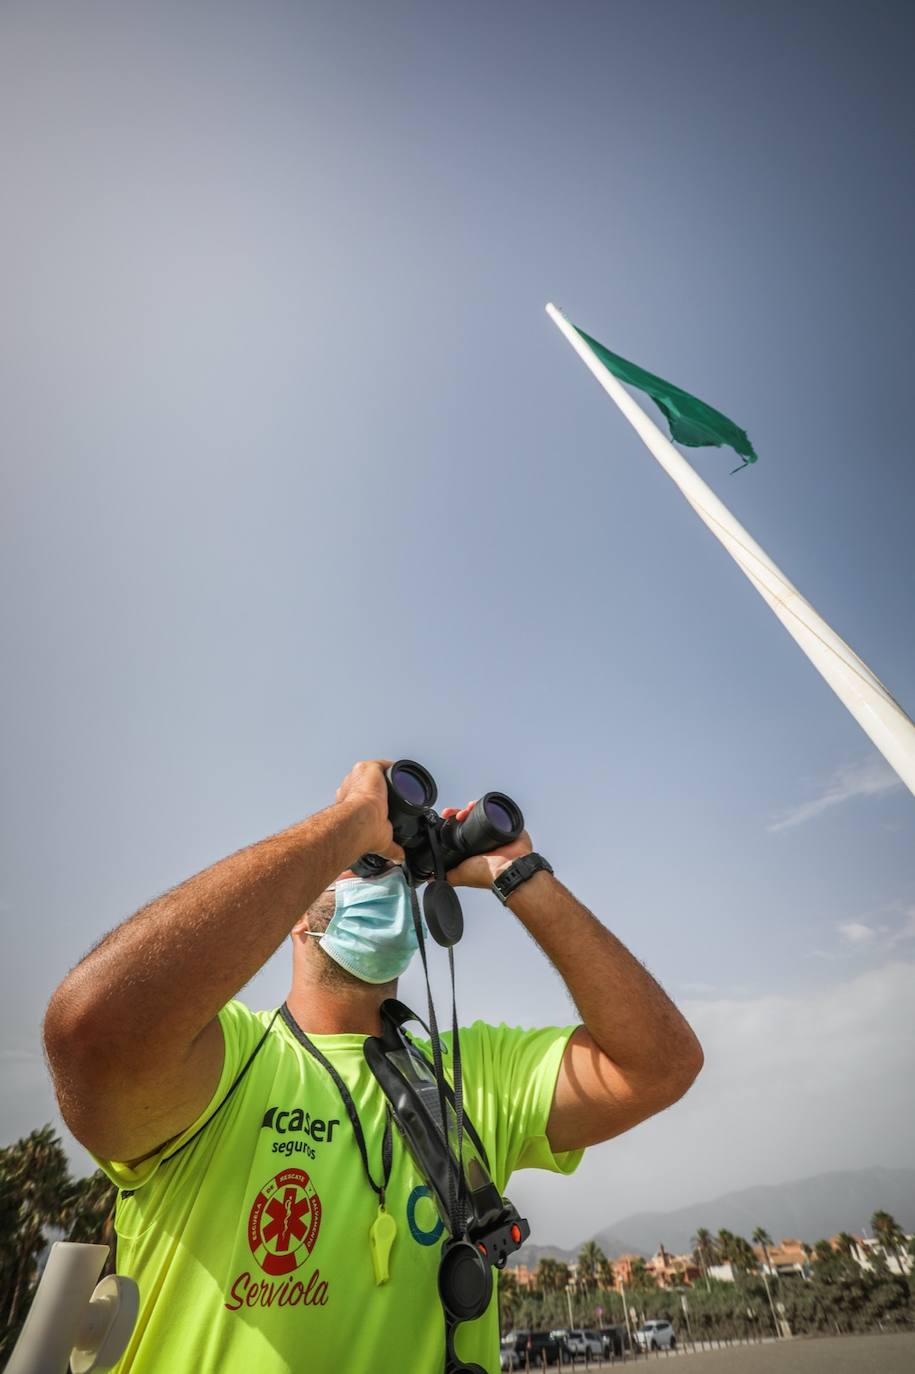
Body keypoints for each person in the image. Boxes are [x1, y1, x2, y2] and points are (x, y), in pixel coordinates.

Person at [44, 758, 703, 1373]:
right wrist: (353, 822)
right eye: (361, 865)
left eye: (397, 873)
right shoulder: (222, 1063)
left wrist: (518, 871)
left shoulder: (471, 1070)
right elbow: (90, 1033)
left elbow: (659, 1065)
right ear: (296, 916)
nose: (386, 879)